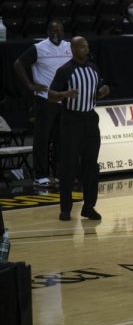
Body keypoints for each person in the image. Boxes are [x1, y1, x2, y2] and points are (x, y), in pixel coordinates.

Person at [47, 37, 109, 221]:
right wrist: (65, 94)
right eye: (82, 46)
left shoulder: (93, 67)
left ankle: (89, 206)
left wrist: (103, 91)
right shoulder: (65, 70)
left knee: (92, 166)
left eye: (87, 46)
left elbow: (98, 89)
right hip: (70, 120)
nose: (86, 49)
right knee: (68, 166)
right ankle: (65, 209)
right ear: (73, 49)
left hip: (90, 119)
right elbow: (50, 95)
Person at [13, 20, 71, 187]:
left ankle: (58, 173)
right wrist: (31, 86)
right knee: (42, 139)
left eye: (59, 30)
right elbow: (18, 64)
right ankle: (41, 175)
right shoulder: (39, 48)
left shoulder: (68, 47)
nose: (56, 33)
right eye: (53, 30)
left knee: (61, 139)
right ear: (47, 31)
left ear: (63, 31)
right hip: (45, 99)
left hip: (64, 100)